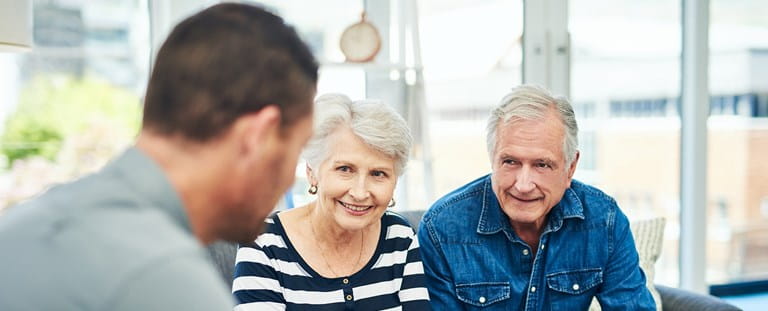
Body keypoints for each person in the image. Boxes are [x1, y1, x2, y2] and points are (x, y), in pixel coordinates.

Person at [0, 3, 317, 310]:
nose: (290, 179)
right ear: (257, 136)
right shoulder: (163, 278)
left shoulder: (25, 224)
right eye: (296, 149)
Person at [417, 85, 655, 310]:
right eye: (510, 162)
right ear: (493, 160)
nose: (523, 185)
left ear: (570, 167)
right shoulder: (442, 230)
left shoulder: (605, 221)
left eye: (542, 165)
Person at [232, 94, 431, 310]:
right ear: (312, 172)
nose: (360, 192)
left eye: (378, 173)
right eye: (344, 169)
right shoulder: (264, 242)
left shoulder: (399, 236)